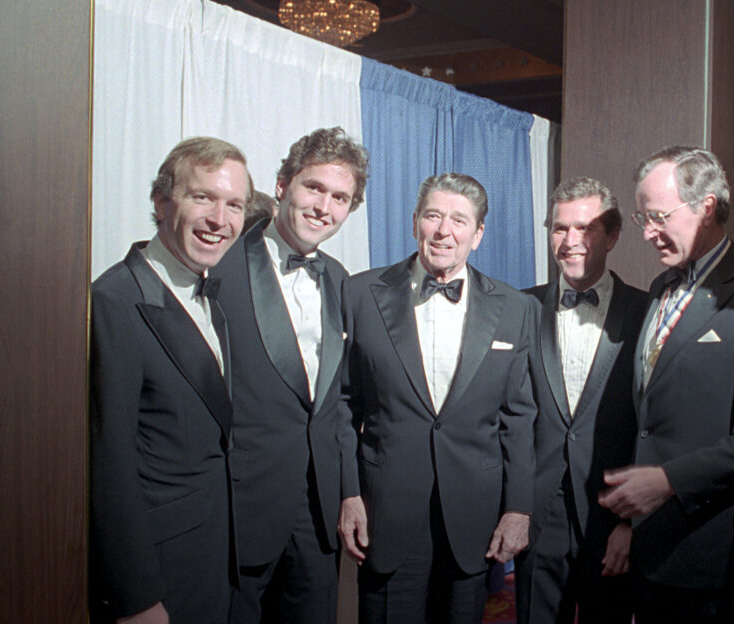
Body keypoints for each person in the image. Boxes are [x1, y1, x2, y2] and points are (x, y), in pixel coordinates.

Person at [598, 146, 734, 622]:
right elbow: (647, 420)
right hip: (650, 542)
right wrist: (628, 520)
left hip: (714, 550)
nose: (647, 233)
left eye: (659, 216)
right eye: (643, 218)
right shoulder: (662, 287)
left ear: (706, 206)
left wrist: (667, 483)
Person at [337, 173, 537, 624]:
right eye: (433, 216)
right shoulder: (361, 294)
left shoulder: (515, 308)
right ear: (415, 223)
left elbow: (519, 419)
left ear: (478, 234)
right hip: (384, 512)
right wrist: (348, 495)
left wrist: (518, 507)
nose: (444, 231)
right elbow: (343, 407)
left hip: (474, 518)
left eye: (459, 220)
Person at [90, 137, 251, 623]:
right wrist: (135, 596)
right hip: (158, 576)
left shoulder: (214, 300)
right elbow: (108, 464)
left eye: (234, 205)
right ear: (161, 202)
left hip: (215, 559)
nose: (219, 219)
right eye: (202, 197)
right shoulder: (114, 301)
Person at [212, 126, 368, 623]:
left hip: (318, 514)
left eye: (340, 197)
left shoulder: (341, 281)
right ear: (283, 184)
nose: (325, 206)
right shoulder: (218, 265)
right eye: (314, 188)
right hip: (239, 507)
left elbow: (339, 401)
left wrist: (347, 490)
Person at [515, 177, 646, 624]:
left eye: (586, 228)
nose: (571, 242)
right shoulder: (519, 309)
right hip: (538, 514)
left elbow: (654, 424)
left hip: (612, 517)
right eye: (559, 228)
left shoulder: (649, 313)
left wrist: (631, 522)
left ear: (612, 236)